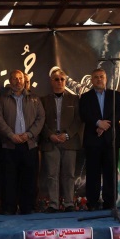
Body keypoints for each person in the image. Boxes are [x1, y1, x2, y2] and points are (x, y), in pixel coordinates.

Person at [0, 69, 45, 215]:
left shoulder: (34, 99)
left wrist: (29, 134)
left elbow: (41, 118)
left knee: (29, 179)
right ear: (10, 81)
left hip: (29, 145)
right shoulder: (2, 99)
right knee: (9, 179)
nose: (17, 81)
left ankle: (27, 208)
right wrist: (11, 135)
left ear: (24, 80)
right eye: (14, 79)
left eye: (20, 78)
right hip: (9, 145)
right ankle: (9, 208)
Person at [79, 68, 120, 211]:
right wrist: (98, 123)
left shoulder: (115, 95)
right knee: (93, 172)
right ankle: (92, 202)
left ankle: (110, 202)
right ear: (92, 80)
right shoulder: (85, 97)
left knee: (110, 172)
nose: (99, 79)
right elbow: (84, 114)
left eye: (102, 77)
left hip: (111, 139)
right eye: (96, 77)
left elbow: (119, 112)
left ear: (106, 79)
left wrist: (105, 125)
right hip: (93, 140)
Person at [40, 68, 83, 212]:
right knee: (52, 175)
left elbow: (78, 120)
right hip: (51, 141)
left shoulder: (74, 99)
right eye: (56, 79)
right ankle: (53, 204)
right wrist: (50, 135)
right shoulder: (43, 100)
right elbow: (41, 121)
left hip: (69, 141)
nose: (59, 82)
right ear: (51, 81)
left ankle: (69, 203)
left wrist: (68, 134)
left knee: (69, 175)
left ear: (65, 81)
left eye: (62, 79)